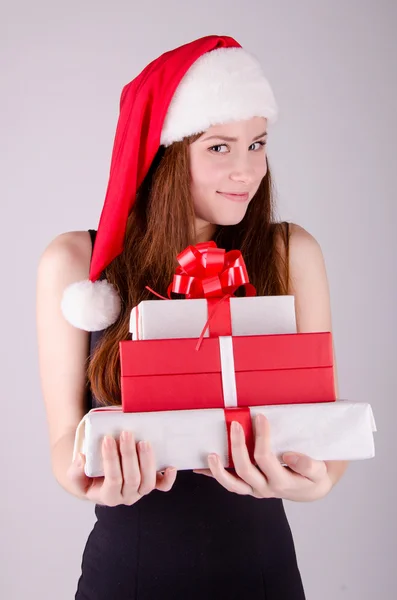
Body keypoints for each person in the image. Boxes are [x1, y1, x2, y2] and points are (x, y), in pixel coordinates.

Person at [36, 34, 349, 599]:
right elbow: (64, 441)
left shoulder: (289, 251)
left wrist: (315, 481)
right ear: (166, 149)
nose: (247, 171)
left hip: (264, 576)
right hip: (124, 579)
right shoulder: (74, 262)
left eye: (257, 144)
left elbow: (325, 430)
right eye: (219, 147)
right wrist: (92, 481)